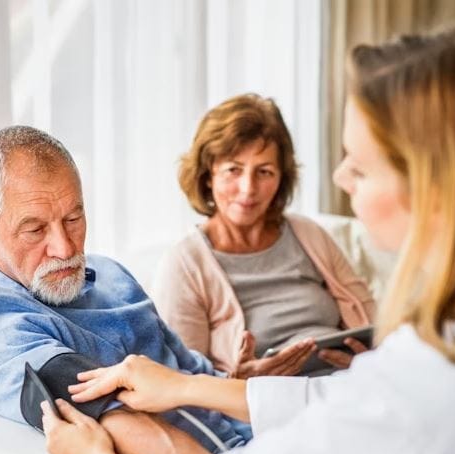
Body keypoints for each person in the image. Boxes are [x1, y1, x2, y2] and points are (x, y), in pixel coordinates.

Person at [41, 27, 455, 454]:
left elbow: (374, 410)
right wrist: (193, 385)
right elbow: (354, 404)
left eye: (361, 166)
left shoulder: (428, 384)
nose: (340, 177)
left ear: (437, 189)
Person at [0, 126, 255, 454]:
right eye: (35, 229)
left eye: (73, 218)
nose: (65, 248)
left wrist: (249, 388)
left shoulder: (110, 273)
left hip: (266, 440)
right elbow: (124, 425)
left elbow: (189, 370)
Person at [153, 93, 375, 378]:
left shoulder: (308, 234)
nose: (248, 188)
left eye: (265, 172)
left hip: (348, 383)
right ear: (208, 175)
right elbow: (180, 380)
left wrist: (368, 359)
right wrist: (240, 382)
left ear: (282, 178)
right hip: (259, 400)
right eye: (233, 170)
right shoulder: (184, 263)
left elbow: (376, 324)